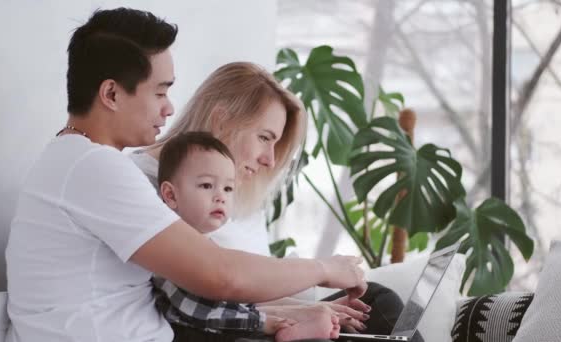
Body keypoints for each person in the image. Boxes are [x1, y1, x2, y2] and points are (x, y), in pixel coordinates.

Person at [4, 8, 366, 342]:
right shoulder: (94, 167)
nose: (169, 107)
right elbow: (221, 275)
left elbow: (190, 293)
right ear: (111, 93)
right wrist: (323, 268)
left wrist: (286, 312)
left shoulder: (77, 160)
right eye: (160, 91)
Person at [132, 61, 422, 342]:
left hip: (237, 316)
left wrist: (304, 310)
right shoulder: (143, 185)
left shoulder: (233, 193)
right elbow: (213, 292)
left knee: (377, 303)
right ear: (221, 119)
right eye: (264, 138)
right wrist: (317, 280)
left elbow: (245, 292)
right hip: (203, 329)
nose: (270, 159)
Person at [153, 131, 341, 341]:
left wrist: (287, 314)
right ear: (170, 195)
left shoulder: (207, 246)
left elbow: (234, 302)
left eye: (228, 188)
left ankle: (295, 328)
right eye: (206, 185)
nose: (220, 197)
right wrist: (262, 322)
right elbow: (195, 312)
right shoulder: (172, 245)